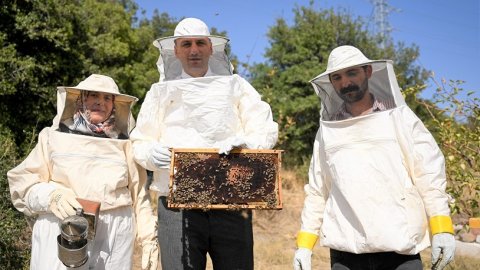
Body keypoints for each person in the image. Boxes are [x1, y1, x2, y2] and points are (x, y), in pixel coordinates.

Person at [130, 18, 278, 270]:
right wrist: (152, 154)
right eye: (186, 44)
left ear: (211, 47)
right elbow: (139, 142)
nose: (194, 50)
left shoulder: (236, 85)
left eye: (200, 43)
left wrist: (248, 144)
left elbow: (264, 128)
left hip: (231, 199)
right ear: (175, 50)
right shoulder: (159, 92)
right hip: (176, 204)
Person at [293, 45, 456, 270]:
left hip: (400, 248)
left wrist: (442, 227)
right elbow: (318, 189)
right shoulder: (327, 130)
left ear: (368, 72)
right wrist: (304, 244)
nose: (345, 82)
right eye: (337, 77)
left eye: (352, 73)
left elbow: (428, 173)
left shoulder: (399, 117)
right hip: (346, 252)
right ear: (330, 82)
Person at [8, 74, 159, 270]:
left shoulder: (126, 145)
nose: (100, 102)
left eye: (107, 98)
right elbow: (23, 185)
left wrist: (148, 238)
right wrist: (52, 196)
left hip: (114, 235)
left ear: (114, 105)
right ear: (81, 99)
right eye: (93, 95)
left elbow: (139, 196)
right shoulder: (51, 137)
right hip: (61, 228)